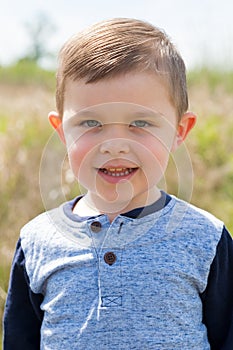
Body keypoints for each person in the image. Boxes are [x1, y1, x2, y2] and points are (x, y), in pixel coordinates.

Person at [3, 18, 233, 350]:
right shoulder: (38, 241)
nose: (114, 145)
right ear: (61, 131)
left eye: (140, 123)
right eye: (90, 123)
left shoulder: (205, 239)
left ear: (179, 131)